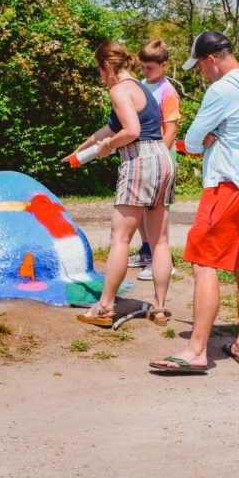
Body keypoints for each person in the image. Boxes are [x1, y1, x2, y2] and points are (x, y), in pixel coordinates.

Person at [150, 31, 239, 373]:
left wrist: (203, 139)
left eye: (200, 66)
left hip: (225, 186)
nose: (201, 73)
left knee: (203, 263)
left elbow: (191, 140)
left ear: (211, 59)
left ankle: (196, 351)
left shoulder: (221, 90)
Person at [65, 41, 174, 326]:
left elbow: (130, 131)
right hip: (163, 158)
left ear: (108, 66)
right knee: (159, 241)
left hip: (140, 161)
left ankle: (105, 306)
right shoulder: (140, 88)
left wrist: (107, 147)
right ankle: (159, 309)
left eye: (99, 69)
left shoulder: (118, 90)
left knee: (120, 239)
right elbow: (111, 127)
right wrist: (83, 149)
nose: (99, 75)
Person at [131, 39, 181, 282]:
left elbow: (171, 130)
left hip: (158, 158)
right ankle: (147, 251)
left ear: (163, 65)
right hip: (140, 156)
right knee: (140, 207)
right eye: (142, 67)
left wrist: (160, 156)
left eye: (150, 68)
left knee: (158, 212)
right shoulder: (141, 86)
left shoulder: (168, 92)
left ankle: (164, 262)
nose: (145, 72)